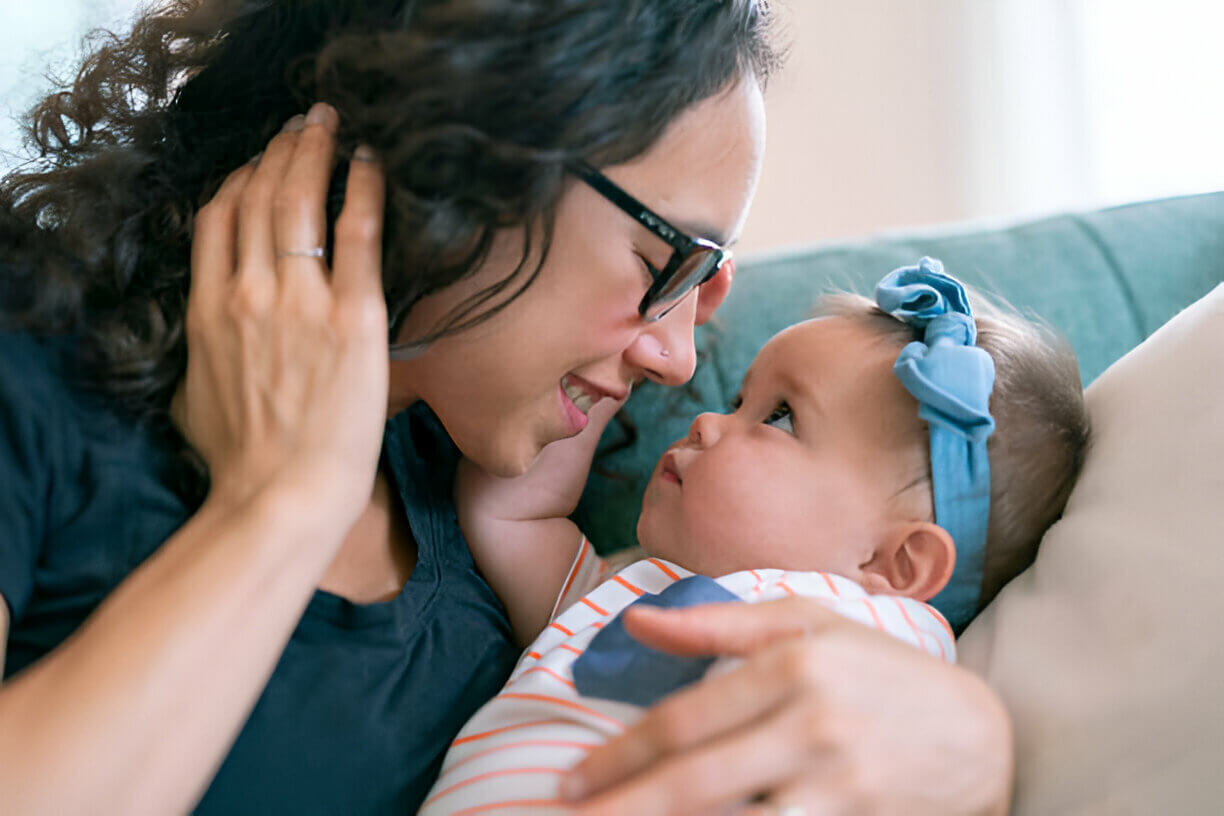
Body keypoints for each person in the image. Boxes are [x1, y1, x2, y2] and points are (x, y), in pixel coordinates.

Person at [0, 2, 1015, 813]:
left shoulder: (491, 479)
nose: (674, 361)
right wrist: (277, 508)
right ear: (478, 150)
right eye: (667, 263)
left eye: (702, 284)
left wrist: (976, 744)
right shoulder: (29, 359)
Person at [421, 260, 1090, 813]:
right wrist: (607, 362)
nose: (709, 421)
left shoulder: (874, 641)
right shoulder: (623, 585)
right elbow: (516, 514)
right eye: (739, 399)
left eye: (778, 417)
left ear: (897, 561)